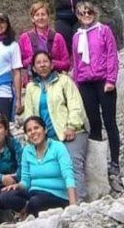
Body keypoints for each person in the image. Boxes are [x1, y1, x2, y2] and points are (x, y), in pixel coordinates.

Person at [24, 51, 88, 202]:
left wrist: (72, 126)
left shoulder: (64, 81)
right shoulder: (31, 87)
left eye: (45, 61)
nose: (42, 65)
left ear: (52, 64)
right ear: (33, 68)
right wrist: (31, 134)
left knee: (72, 164)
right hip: (45, 136)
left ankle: (80, 202)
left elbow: (75, 105)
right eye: (38, 62)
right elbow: (29, 114)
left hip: (70, 132)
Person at [70, 1, 121, 180]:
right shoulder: (77, 36)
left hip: (103, 82)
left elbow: (112, 55)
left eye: (89, 12)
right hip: (85, 83)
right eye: (82, 13)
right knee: (93, 124)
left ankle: (115, 162)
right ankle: (99, 163)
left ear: (95, 12)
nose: (86, 15)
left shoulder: (103, 30)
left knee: (110, 122)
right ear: (77, 16)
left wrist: (111, 79)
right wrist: (76, 83)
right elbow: (75, 61)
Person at [5, 116, 77, 217]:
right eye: (29, 130)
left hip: (56, 196)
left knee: (35, 202)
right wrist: (17, 186)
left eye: (36, 128)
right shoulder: (27, 151)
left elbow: (68, 175)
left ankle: (29, 212)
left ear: (45, 130)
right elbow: (26, 180)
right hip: (34, 193)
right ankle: (28, 211)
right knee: (6, 195)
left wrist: (73, 205)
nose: (33, 132)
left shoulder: (58, 147)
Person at [18, 2, 70, 74]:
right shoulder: (24, 38)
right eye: (37, 15)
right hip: (32, 79)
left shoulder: (58, 37)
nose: (40, 18)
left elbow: (66, 64)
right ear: (32, 19)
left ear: (48, 17)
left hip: (55, 78)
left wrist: (50, 62)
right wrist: (33, 60)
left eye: (43, 14)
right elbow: (19, 63)